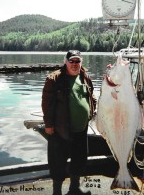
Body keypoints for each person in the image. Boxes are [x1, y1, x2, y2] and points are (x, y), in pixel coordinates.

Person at [41, 50, 97, 195]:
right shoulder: (54, 79)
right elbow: (46, 104)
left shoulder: (85, 76)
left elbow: (91, 97)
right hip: (60, 129)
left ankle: (74, 189)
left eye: (77, 61)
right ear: (65, 61)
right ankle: (57, 192)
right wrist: (48, 125)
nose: (74, 64)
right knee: (58, 162)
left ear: (81, 62)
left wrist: (92, 110)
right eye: (71, 61)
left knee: (79, 159)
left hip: (81, 129)